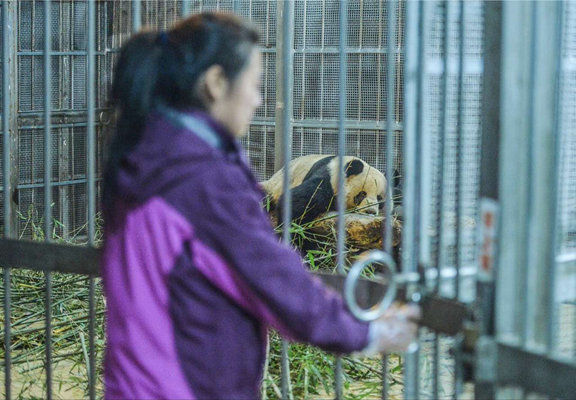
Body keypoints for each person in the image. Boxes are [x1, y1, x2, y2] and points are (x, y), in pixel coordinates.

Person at [101, 11, 420, 400]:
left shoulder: (142, 154)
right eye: (254, 84)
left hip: (134, 382)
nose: (258, 100)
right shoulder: (203, 180)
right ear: (216, 83)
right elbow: (272, 279)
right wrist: (367, 331)